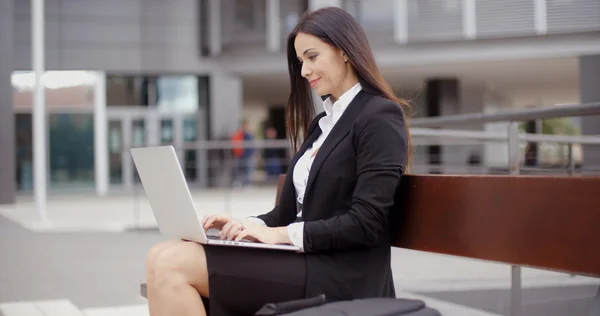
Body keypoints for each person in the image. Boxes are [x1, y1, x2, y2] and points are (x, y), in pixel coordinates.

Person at [144, 6, 412, 316]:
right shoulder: (323, 124)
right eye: (301, 62)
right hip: (304, 261)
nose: (304, 72)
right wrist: (246, 225)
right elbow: (288, 214)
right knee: (159, 255)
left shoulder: (379, 116)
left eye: (312, 57)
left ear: (344, 51)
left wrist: (281, 235)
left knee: (171, 265)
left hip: (342, 275)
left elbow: (366, 223)